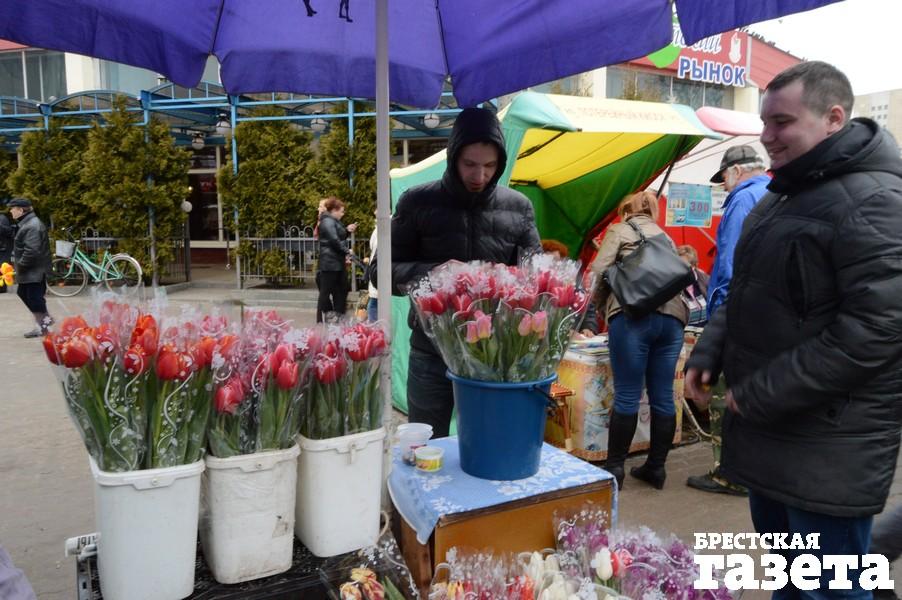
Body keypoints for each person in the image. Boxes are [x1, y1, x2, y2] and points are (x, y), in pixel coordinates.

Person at [686, 61, 902, 599]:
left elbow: (876, 330)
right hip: (772, 437)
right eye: (764, 121)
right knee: (793, 582)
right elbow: (748, 290)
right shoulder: (783, 194)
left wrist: (761, 391)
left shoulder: (876, 200)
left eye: (782, 122)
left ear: (834, 118)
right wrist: (710, 351)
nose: (766, 136)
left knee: (830, 589)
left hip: (828, 447)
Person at [392, 106, 541, 437]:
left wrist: (508, 282)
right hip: (430, 352)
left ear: (500, 163)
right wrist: (434, 273)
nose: (480, 175)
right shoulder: (417, 201)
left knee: (487, 442)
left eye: (490, 166)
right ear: (453, 157)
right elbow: (380, 273)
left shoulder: (519, 207)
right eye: (470, 164)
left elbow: (537, 279)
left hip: (493, 352)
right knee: (426, 444)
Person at [590, 190, 687, 490]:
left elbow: (599, 271)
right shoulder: (665, 237)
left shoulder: (620, 230)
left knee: (627, 395)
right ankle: (656, 468)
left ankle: (615, 469)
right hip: (673, 320)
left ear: (625, 210)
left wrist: (601, 308)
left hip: (632, 317)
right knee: (663, 396)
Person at [8, 198, 53, 338]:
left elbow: (32, 251)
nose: (10, 211)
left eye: (12, 208)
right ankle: (44, 322)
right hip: (32, 270)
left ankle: (44, 326)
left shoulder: (32, 225)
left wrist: (20, 266)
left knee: (34, 298)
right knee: (25, 294)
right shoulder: (28, 223)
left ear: (21, 210)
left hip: (34, 271)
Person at [316, 197, 356, 323]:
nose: (343, 214)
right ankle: (321, 320)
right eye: (341, 211)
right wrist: (347, 251)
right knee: (326, 292)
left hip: (336, 262)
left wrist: (347, 231)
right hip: (330, 263)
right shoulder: (327, 221)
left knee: (341, 290)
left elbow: (339, 235)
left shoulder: (332, 221)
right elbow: (334, 240)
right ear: (334, 210)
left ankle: (338, 316)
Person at [676, 245, 708, 327]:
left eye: (684, 265)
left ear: (693, 266)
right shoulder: (673, 285)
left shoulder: (705, 279)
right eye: (678, 264)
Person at [366, 218, 378, 322]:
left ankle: (373, 327)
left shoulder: (377, 229)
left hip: (376, 270)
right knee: (374, 301)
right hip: (377, 270)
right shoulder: (378, 229)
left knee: (374, 301)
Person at [0, 203, 13, 294]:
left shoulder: (2, 218)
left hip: (3, 249)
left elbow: (6, 231)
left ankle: (2, 289)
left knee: (2, 269)